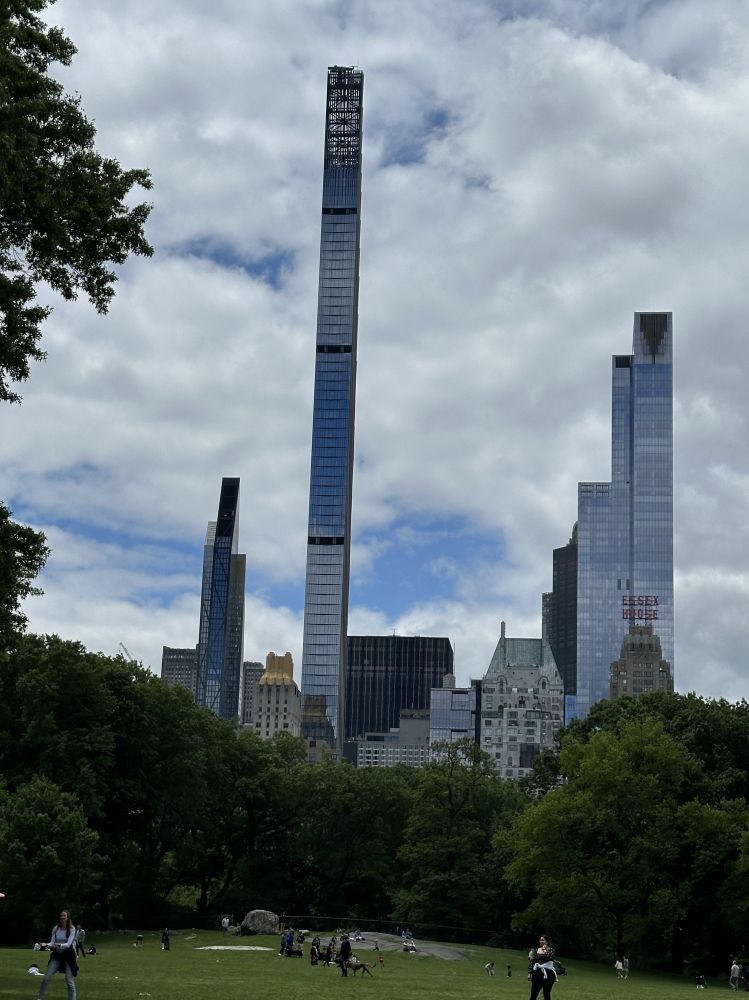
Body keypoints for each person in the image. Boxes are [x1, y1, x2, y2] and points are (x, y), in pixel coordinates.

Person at [36, 909, 78, 1000]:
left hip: (69, 956)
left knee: (69, 980)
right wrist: (45, 944)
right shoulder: (56, 928)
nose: (62, 917)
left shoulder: (72, 928)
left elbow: (68, 944)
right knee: (46, 978)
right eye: (61, 916)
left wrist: (59, 945)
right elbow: (52, 943)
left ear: (68, 917)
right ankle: (39, 998)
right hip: (57, 956)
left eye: (64, 916)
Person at [528, 934, 557, 1000]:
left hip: (548, 974)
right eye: (540, 940)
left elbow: (549, 958)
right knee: (533, 996)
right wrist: (529, 973)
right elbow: (533, 962)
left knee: (546, 995)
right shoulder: (536, 950)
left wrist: (544, 950)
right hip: (537, 974)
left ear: (547, 942)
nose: (541, 941)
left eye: (543, 940)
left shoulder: (551, 950)